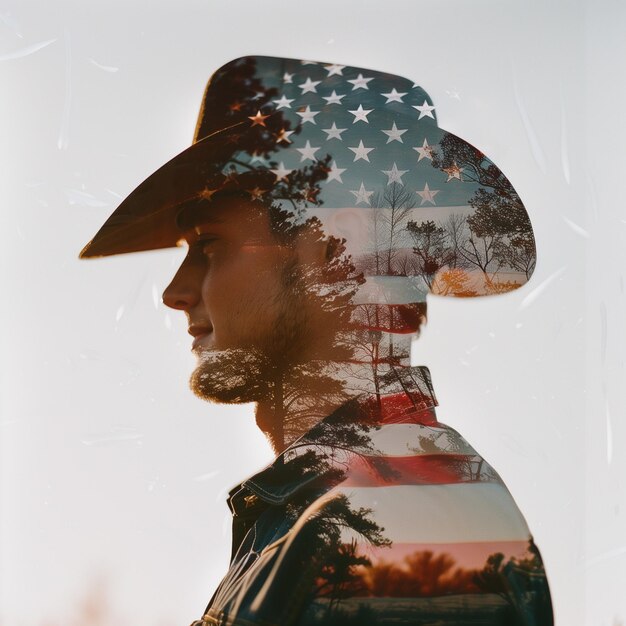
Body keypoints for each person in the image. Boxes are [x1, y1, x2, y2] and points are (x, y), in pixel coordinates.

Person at [80, 56, 553, 625]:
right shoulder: (336, 503)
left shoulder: (389, 515)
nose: (176, 293)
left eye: (209, 245)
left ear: (336, 251)